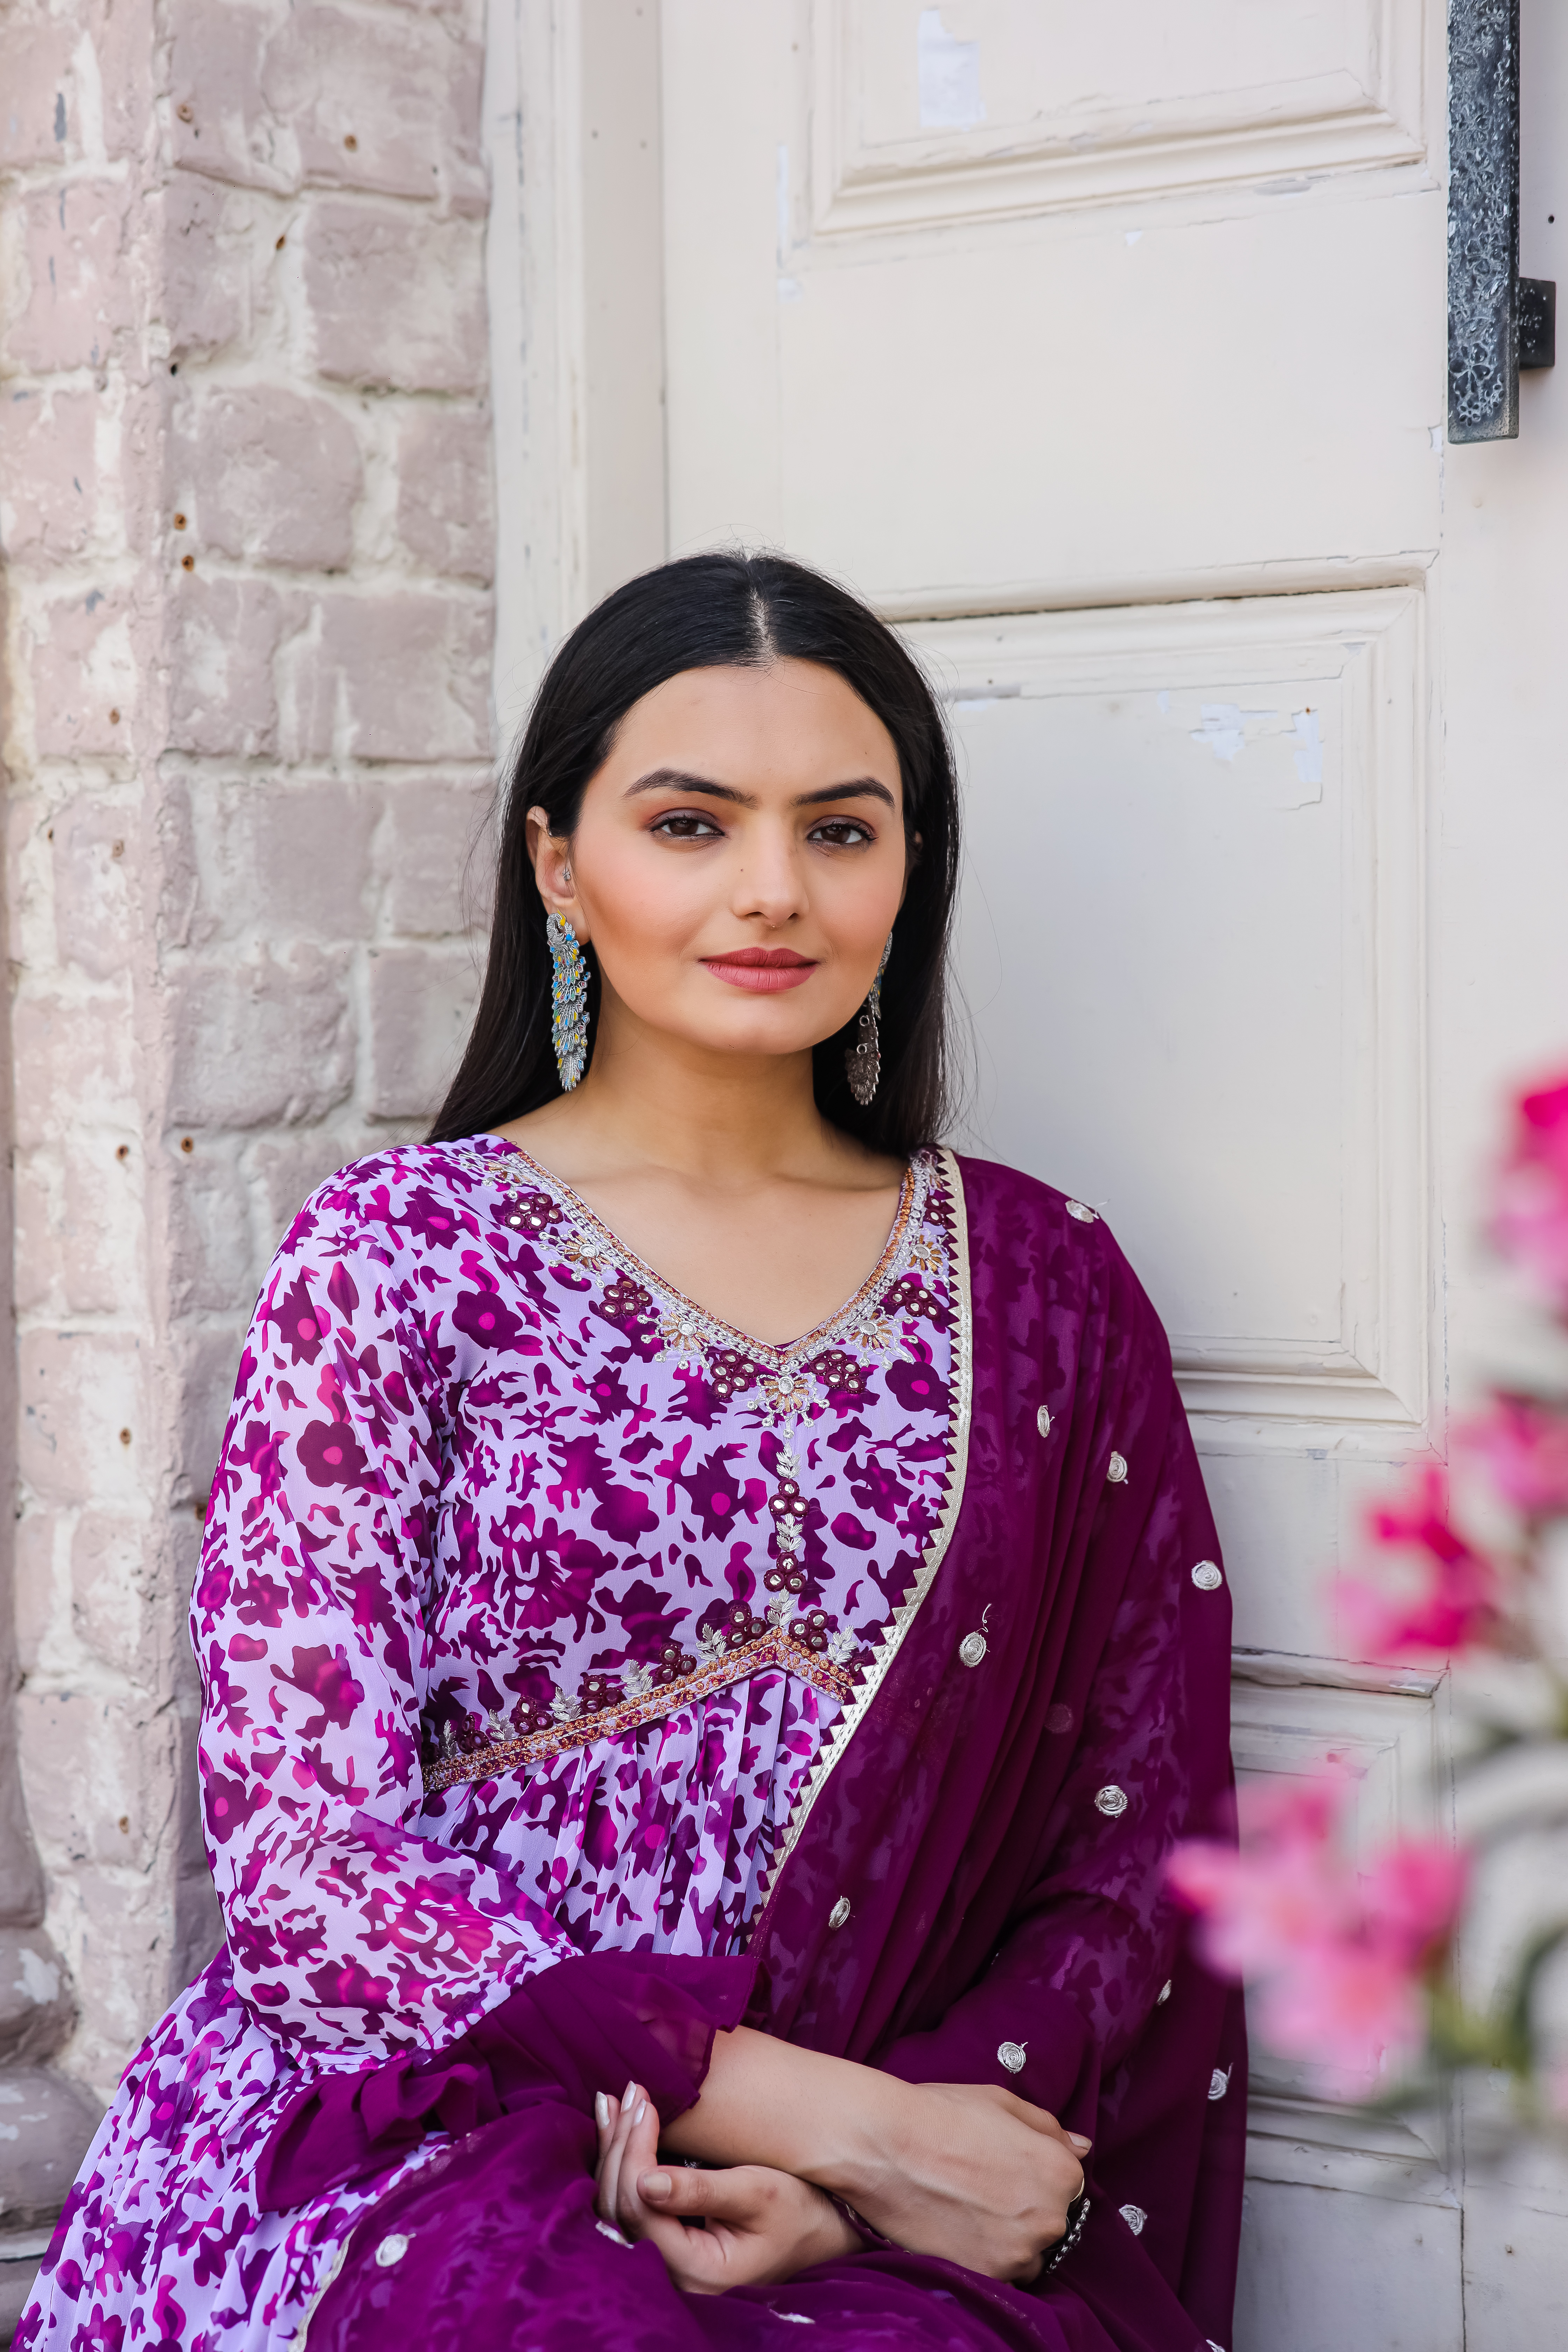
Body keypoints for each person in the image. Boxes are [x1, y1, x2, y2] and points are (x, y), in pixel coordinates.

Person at [21, 554, 1244, 2352]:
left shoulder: (1044, 1284)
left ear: (912, 873)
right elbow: (305, 1861)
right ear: (556, 865)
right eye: (691, 823)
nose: (772, 890)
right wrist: (797, 2107)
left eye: (842, 831)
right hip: (434, 2118)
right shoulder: (402, 1256)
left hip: (898, 2149)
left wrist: (881, 2167)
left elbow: (1131, 1845)